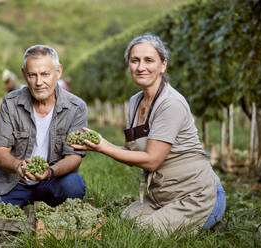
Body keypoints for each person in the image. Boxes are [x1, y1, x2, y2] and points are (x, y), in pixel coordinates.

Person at [71, 33, 226, 234]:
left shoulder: (171, 104)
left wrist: (103, 147)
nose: (141, 67)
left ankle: (208, 219)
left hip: (195, 195)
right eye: (135, 61)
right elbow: (131, 155)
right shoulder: (135, 102)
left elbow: (151, 160)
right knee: (125, 220)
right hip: (162, 195)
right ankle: (183, 221)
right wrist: (100, 144)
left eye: (149, 60)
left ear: (163, 65)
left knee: (143, 232)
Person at [0, 45, 88, 208]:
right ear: (24, 74)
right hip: (14, 182)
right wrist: (18, 166)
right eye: (32, 75)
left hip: (52, 180)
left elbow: (74, 157)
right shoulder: (11, 103)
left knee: (73, 185)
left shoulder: (76, 107)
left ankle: (48, 207)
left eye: (45, 74)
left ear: (58, 72)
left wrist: (48, 173)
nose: (39, 82)